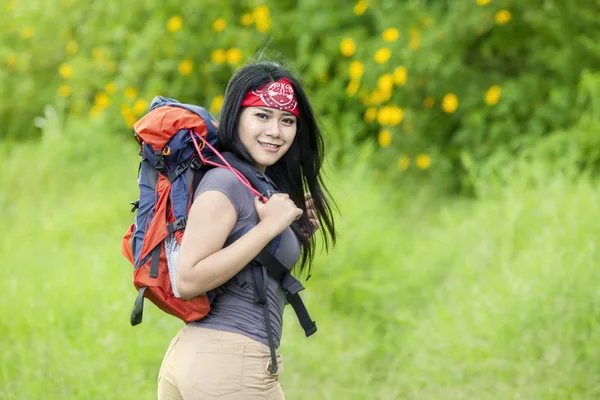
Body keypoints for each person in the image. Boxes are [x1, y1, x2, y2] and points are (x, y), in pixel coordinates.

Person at [156, 60, 337, 400]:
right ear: (235, 116)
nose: (275, 131)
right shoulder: (225, 182)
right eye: (261, 115)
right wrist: (269, 229)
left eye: (287, 121)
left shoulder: (250, 181)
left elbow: (249, 278)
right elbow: (188, 279)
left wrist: (290, 235)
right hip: (229, 367)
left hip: (203, 361)